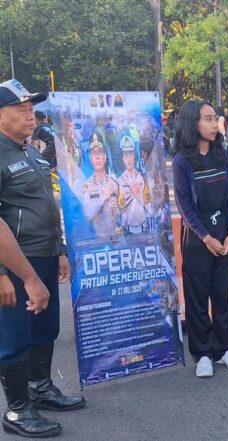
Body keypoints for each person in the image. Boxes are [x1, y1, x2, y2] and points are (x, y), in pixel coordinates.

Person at [0, 79, 83, 438]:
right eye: (20, 110)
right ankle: (17, 411)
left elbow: (49, 206)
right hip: (17, 265)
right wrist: (5, 273)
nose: (30, 115)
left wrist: (60, 251)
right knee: (14, 337)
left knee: (45, 328)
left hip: (45, 256)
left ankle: (40, 388)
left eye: (31, 109)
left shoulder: (31, 153)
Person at [172, 99, 228, 378]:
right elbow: (184, 204)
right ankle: (202, 353)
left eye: (215, 119)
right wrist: (205, 237)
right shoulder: (182, 161)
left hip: (224, 233)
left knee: (222, 294)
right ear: (193, 123)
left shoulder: (222, 155)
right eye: (208, 119)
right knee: (198, 297)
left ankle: (223, 349)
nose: (215, 124)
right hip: (197, 238)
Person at [82, 134, 121, 240]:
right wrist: (102, 198)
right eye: (94, 153)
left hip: (117, 241)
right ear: (90, 159)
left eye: (100, 152)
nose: (97, 156)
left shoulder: (114, 183)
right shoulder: (87, 185)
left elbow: (122, 211)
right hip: (99, 241)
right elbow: (88, 215)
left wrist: (121, 226)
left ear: (105, 157)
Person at [117, 136, 151, 235]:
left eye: (130, 154)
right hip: (128, 231)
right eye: (126, 155)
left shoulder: (142, 178)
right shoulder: (119, 182)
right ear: (123, 158)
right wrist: (131, 196)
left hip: (144, 229)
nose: (128, 159)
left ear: (134, 157)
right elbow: (121, 210)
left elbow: (148, 204)